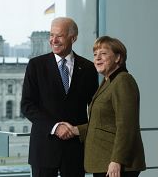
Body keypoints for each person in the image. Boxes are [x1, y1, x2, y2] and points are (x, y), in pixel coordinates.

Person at [20, 17, 99, 177]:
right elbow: (27, 105)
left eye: (60, 36)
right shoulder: (36, 66)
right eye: (51, 35)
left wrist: (84, 130)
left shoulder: (88, 68)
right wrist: (56, 127)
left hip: (75, 150)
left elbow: (96, 107)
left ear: (73, 38)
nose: (53, 40)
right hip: (44, 149)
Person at [62, 36, 146, 177]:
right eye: (95, 54)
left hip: (116, 165)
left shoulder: (123, 81)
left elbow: (126, 126)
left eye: (103, 54)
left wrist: (116, 160)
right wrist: (76, 130)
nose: (97, 58)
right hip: (104, 162)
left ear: (118, 57)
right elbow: (103, 123)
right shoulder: (108, 81)